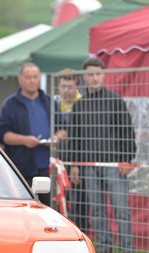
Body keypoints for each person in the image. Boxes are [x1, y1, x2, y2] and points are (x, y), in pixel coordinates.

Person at [67, 57, 136, 253]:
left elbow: (127, 131)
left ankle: (128, 252)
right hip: (88, 166)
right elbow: (75, 138)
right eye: (91, 74)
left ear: (103, 76)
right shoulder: (80, 105)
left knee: (121, 209)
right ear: (84, 77)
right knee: (97, 210)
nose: (95, 78)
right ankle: (105, 251)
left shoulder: (115, 101)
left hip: (114, 165)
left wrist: (127, 159)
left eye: (98, 74)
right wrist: (75, 165)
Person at [0, 62, 53, 205]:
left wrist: (56, 137)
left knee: (49, 208)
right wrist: (24, 140)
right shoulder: (11, 104)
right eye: (28, 77)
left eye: (35, 77)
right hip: (22, 168)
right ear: (20, 79)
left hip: (48, 167)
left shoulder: (49, 102)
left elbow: (64, 128)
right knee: (24, 206)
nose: (32, 81)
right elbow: (2, 134)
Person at [53, 70, 87, 232]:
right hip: (59, 157)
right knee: (60, 196)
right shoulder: (55, 104)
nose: (66, 90)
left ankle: (80, 231)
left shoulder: (83, 103)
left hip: (78, 157)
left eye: (70, 87)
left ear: (77, 87)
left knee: (78, 198)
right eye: (63, 86)